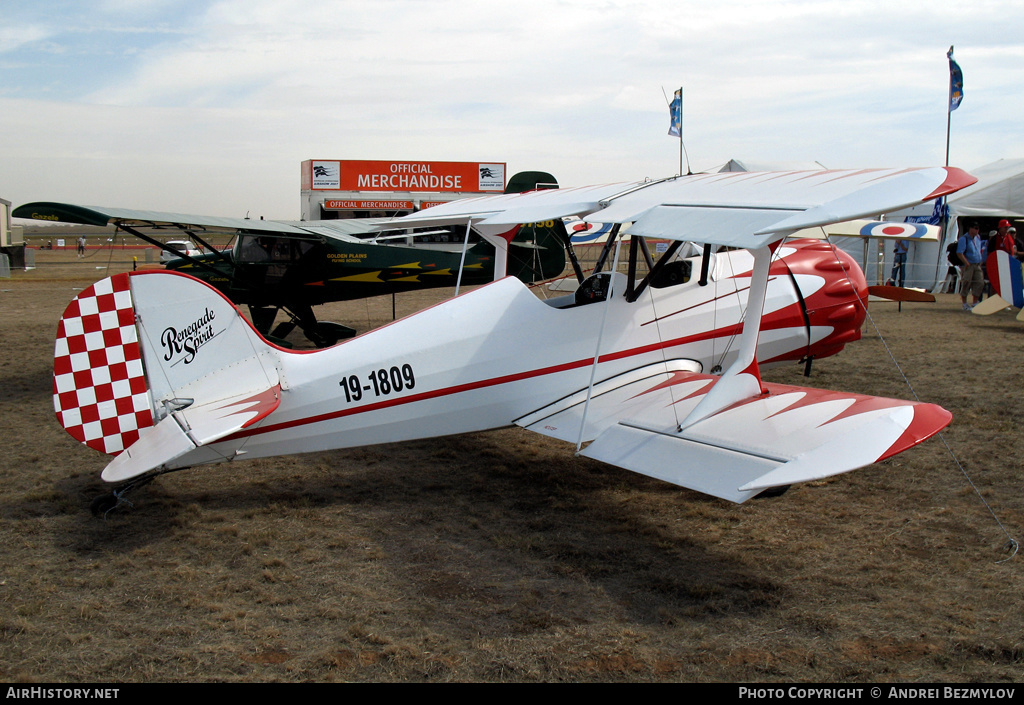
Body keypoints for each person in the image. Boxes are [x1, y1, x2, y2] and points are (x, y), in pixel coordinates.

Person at [957, 223, 985, 310]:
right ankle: (964, 304)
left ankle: (975, 302)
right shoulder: (964, 239)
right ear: (970, 228)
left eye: (978, 228)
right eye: (975, 228)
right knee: (966, 283)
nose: (977, 230)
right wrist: (966, 263)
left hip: (977, 264)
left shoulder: (978, 238)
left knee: (979, 282)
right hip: (968, 265)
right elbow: (959, 253)